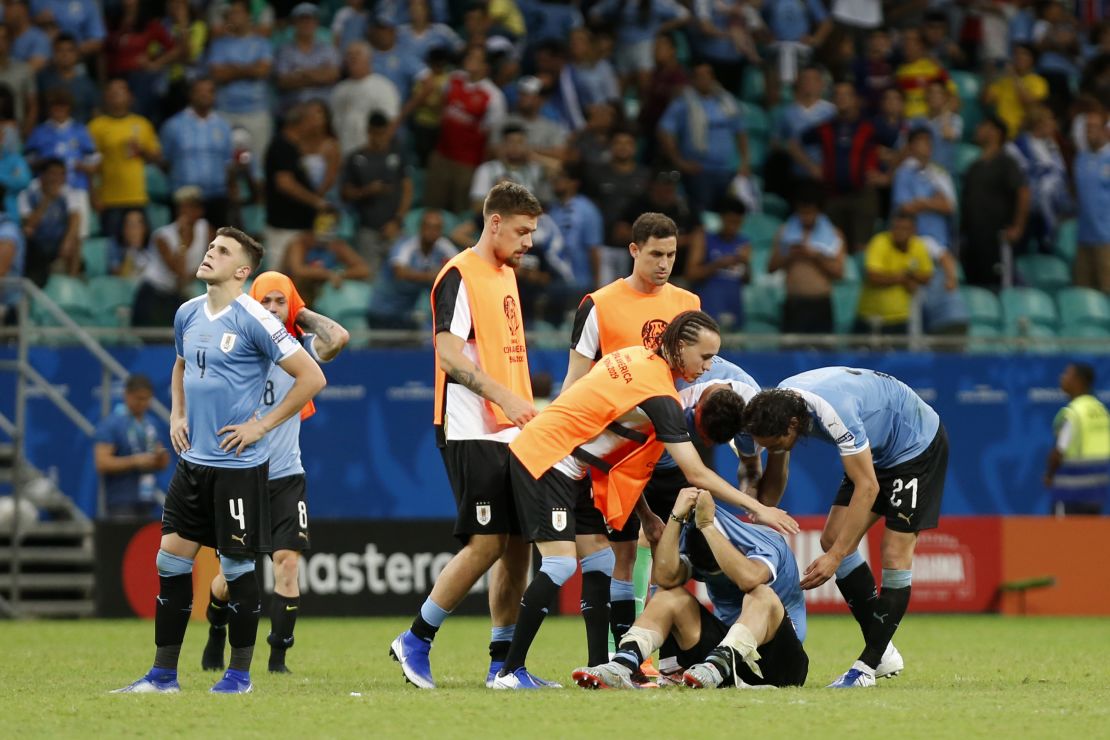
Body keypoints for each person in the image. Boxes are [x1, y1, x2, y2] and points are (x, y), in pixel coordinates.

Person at [491, 311, 798, 689]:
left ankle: (606, 665)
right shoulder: (662, 397)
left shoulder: (636, 357)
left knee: (602, 559)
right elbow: (697, 474)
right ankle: (509, 671)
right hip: (548, 457)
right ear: (679, 347)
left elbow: (623, 457)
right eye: (703, 357)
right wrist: (759, 507)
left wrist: (648, 514)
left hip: (577, 468)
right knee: (559, 564)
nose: (708, 366)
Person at [112, 226, 326, 695]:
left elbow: (312, 377)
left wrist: (261, 426)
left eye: (222, 251)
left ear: (242, 270)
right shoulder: (187, 312)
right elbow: (181, 363)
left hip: (237, 467)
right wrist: (178, 414)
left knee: (236, 571)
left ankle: (239, 676)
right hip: (193, 463)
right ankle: (163, 676)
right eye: (211, 247)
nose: (210, 254)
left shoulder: (255, 318)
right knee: (170, 560)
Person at [389, 182, 543, 690]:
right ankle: (415, 638)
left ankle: (504, 665)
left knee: (518, 543)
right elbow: (450, 357)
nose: (528, 242)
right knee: (486, 543)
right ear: (493, 222)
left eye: (533, 233)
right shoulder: (459, 274)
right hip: (470, 425)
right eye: (522, 231)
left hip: (510, 430)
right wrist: (507, 398)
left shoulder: (505, 274)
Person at [742, 366, 950, 687]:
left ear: (794, 425)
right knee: (832, 538)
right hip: (878, 452)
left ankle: (866, 667)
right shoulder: (780, 406)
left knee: (893, 552)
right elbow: (774, 481)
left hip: (915, 447)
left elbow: (867, 487)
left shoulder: (834, 412)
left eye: (775, 444)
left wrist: (836, 558)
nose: (772, 449)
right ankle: (884, 653)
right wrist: (760, 514)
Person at [563, 212, 700, 655]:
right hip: (619, 450)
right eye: (656, 254)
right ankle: (615, 659)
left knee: (673, 556)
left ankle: (660, 657)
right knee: (621, 555)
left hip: (671, 446)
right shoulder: (599, 304)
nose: (664, 263)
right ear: (634, 251)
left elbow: (697, 374)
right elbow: (576, 383)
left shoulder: (689, 303)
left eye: (672, 255)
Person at [203, 271, 349, 674]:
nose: (270, 309)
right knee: (233, 574)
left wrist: (300, 314)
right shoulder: (234, 346)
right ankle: (216, 629)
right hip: (242, 473)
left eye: (279, 302)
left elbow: (337, 338)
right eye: (262, 301)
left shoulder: (299, 349)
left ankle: (277, 659)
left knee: (287, 561)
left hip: (286, 474)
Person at [572, 489, 807, 690]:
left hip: (781, 664)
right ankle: (622, 665)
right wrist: (675, 517)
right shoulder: (695, 545)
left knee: (762, 594)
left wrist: (708, 526)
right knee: (669, 594)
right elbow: (664, 577)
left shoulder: (766, 541)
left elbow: (749, 579)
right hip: (716, 666)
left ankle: (719, 664)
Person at [205, 0, 274, 181]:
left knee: (259, 165)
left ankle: (259, 205)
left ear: (248, 16)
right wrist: (249, 69)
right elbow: (217, 75)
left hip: (256, 110)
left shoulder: (261, 43)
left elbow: (263, 71)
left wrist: (233, 69)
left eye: (237, 12)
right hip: (225, 110)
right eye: (230, 14)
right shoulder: (219, 44)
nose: (233, 17)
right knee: (224, 165)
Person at [88, 78, 162, 241]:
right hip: (109, 198)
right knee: (112, 246)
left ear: (130, 97)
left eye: (121, 91)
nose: (117, 95)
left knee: (141, 244)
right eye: (112, 92)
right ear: (106, 97)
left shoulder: (142, 124)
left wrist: (142, 150)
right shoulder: (96, 126)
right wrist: (94, 195)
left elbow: (157, 157)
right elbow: (90, 166)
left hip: (137, 195)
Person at [959, 116, 1029, 289]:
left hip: (997, 237)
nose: (978, 130)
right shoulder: (973, 167)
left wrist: (1018, 227)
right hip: (974, 238)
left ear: (996, 132)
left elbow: (1023, 192)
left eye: (983, 126)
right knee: (976, 284)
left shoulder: (1007, 162)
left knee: (999, 285)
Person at [341, 110, 412, 277]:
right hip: (367, 229)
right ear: (368, 132)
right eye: (375, 133)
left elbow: (407, 189)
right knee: (369, 277)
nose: (379, 138)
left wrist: (397, 220)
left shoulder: (397, 155)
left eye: (383, 133)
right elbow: (345, 193)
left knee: (397, 276)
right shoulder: (356, 157)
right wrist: (367, 191)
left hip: (394, 228)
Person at [768, 181, 846, 334]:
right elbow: (771, 267)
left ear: (819, 211)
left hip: (821, 304)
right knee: (789, 356)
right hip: (794, 304)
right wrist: (790, 255)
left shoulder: (834, 235)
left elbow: (839, 273)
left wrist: (815, 256)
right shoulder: (785, 232)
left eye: (810, 213)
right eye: (802, 213)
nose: (806, 217)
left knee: (824, 357)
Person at [159, 77, 234, 228]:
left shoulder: (223, 126)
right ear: (191, 94)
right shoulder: (173, 126)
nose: (205, 95)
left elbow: (228, 163)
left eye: (209, 91)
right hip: (184, 198)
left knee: (218, 247)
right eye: (200, 91)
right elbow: (165, 161)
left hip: (216, 197)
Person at [94, 374, 171, 520]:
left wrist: (160, 456)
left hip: (147, 499)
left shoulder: (151, 424)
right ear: (127, 395)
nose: (143, 403)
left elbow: (163, 462)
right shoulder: (111, 424)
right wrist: (134, 461)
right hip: (121, 501)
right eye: (139, 398)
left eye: (147, 399)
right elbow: (102, 462)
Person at [132, 186, 209, 327]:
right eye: (183, 208)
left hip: (177, 296)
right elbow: (179, 273)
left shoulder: (206, 229)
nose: (186, 213)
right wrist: (183, 240)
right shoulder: (162, 237)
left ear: (200, 211)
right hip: (153, 295)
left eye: (191, 208)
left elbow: (208, 265)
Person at [368, 208, 458, 330]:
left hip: (407, 311)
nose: (432, 231)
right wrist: (434, 275)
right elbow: (399, 272)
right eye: (428, 226)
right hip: (383, 309)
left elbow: (461, 268)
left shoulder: (443, 246)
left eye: (437, 228)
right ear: (420, 228)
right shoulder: (405, 245)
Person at [1044, 363, 1110, 516]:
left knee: (1062, 538)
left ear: (1079, 381)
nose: (1062, 378)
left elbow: (1059, 452)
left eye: (1067, 374)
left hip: (1071, 493)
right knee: (1087, 538)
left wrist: (1049, 475)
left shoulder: (1073, 413)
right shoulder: (1102, 411)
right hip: (1096, 493)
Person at [856, 210, 934, 335]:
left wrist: (910, 276)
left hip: (901, 318)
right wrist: (902, 278)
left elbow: (927, 276)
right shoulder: (879, 242)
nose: (899, 233)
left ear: (913, 230)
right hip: (872, 318)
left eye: (904, 229)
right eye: (896, 228)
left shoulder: (918, 246)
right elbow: (873, 277)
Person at [685, 196, 750, 329]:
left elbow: (747, 279)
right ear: (722, 218)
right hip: (708, 309)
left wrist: (745, 263)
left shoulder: (743, 244)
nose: (734, 226)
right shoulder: (704, 239)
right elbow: (691, 273)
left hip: (733, 307)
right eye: (731, 221)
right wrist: (719, 264)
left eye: (738, 222)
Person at [17, 157, 81, 286]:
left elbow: (75, 219)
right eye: (53, 173)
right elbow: (28, 224)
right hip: (36, 244)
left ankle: (73, 286)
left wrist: (67, 241)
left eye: (61, 174)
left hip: (58, 242)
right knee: (27, 234)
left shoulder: (69, 192)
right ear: (42, 176)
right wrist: (46, 200)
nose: (57, 178)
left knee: (75, 240)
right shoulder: (27, 194)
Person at [330, 41, 401, 158]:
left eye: (357, 54)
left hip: (370, 154)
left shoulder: (383, 86)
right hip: (344, 152)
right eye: (349, 54)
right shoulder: (339, 90)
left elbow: (391, 122)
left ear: (369, 58)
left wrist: (377, 152)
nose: (352, 57)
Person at [283, 223, 371, 307]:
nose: (324, 233)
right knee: (302, 280)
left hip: (322, 297)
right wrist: (328, 274)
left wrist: (340, 274)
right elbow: (298, 270)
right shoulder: (300, 243)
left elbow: (364, 270)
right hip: (296, 294)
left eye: (330, 228)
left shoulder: (336, 245)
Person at [273, 3, 341, 109]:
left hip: (323, 109)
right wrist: (319, 73)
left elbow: (333, 76)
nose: (306, 24)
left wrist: (301, 72)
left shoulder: (327, 49)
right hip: (293, 109)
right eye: (302, 20)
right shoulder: (284, 50)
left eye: (310, 20)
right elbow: (283, 82)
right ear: (294, 23)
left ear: (316, 23)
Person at [1073, 110, 1110, 293]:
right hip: (1084, 236)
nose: (1089, 132)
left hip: (1107, 238)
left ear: (1105, 130)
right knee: (1083, 290)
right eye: (1087, 128)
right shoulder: (1080, 158)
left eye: (1094, 127)